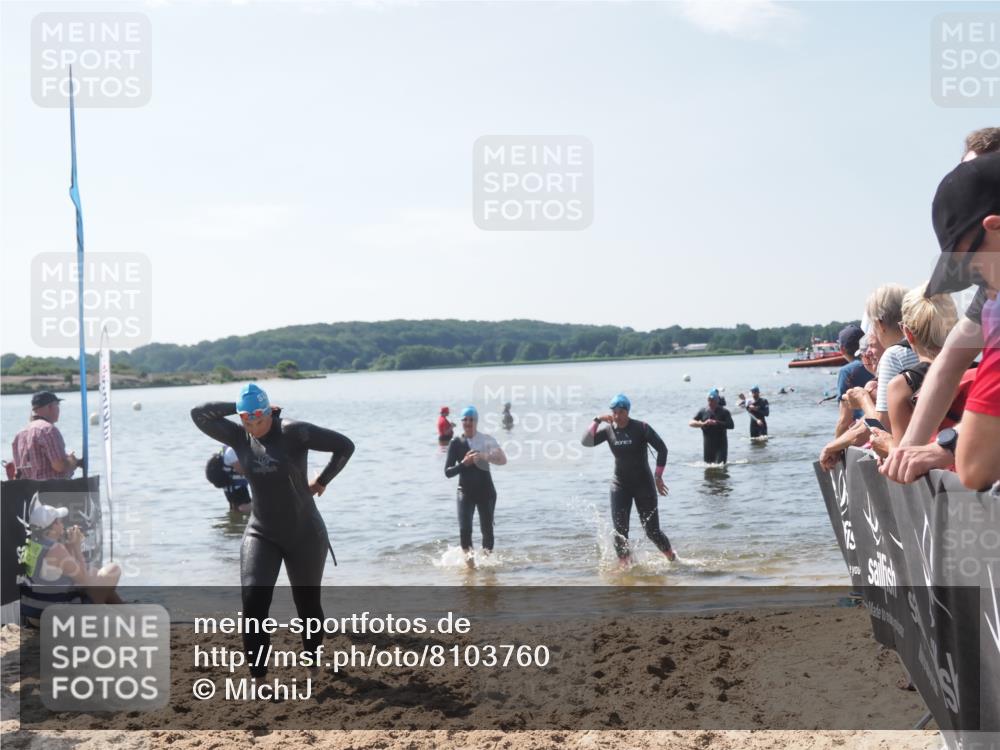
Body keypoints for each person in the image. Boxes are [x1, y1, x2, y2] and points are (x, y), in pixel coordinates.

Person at [191, 383, 355, 676]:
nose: (254, 426)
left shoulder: (294, 432)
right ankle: (258, 678)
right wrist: (239, 407)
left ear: (270, 412)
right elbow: (199, 414)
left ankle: (313, 664)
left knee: (307, 605)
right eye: (248, 420)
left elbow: (345, 446)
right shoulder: (238, 435)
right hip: (261, 533)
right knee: (253, 602)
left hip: (304, 532)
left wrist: (321, 481)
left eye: (260, 418)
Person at [882, 132, 1000, 484]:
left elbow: (976, 468)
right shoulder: (992, 293)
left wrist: (948, 445)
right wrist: (908, 449)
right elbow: (948, 362)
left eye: (970, 264)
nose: (975, 278)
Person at [581, 394, 676, 565]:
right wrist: (597, 420)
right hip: (620, 485)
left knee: (652, 531)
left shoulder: (641, 427)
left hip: (644, 485)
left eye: (620, 412)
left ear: (627, 411)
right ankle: (625, 565)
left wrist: (658, 477)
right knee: (620, 532)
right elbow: (586, 442)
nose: (617, 415)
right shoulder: (609, 430)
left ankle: (671, 557)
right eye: (614, 412)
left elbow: (663, 449)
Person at [19, 495, 123, 624]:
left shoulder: (31, 543)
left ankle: (123, 611)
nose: (63, 524)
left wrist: (68, 546)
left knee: (95, 572)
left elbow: (61, 571)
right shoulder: (56, 550)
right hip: (57, 619)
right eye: (60, 521)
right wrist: (76, 546)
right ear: (52, 527)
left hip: (34, 614)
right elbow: (84, 580)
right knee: (113, 569)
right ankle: (98, 621)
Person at [444, 406, 507, 567]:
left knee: (487, 531)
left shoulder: (486, 440)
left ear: (477, 421)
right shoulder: (456, 443)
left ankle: (487, 565)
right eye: (465, 419)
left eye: (472, 419)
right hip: (464, 492)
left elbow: (502, 459)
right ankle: (470, 567)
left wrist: (484, 456)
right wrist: (464, 464)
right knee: (465, 530)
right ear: (462, 422)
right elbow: (448, 472)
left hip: (486, 492)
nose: (468, 422)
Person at [865, 284, 920, 434]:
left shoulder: (893, 355)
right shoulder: (925, 346)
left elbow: (882, 425)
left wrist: (863, 399)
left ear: (880, 324)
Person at [11, 392, 80, 480]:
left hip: (29, 491)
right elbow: (59, 466)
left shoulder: (19, 434)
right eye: (57, 405)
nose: (59, 409)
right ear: (50, 407)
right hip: (52, 490)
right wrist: (72, 461)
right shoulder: (48, 429)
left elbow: (18, 472)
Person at [835, 324, 875, 427]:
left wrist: (836, 442)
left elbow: (844, 419)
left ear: (842, 349)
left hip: (863, 429)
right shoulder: (877, 363)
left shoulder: (846, 371)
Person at [689, 388, 735, 464]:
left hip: (721, 445)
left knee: (720, 467)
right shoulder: (703, 411)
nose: (710, 402)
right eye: (709, 400)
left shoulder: (724, 412)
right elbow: (691, 422)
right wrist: (703, 424)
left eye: (712, 400)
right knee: (708, 467)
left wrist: (716, 422)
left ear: (717, 400)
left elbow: (731, 425)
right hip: (708, 445)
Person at [205, 446, 252, 513]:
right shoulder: (231, 451)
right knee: (244, 507)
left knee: (236, 510)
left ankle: (237, 522)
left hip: (231, 487)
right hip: (236, 487)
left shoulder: (229, 450)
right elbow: (242, 471)